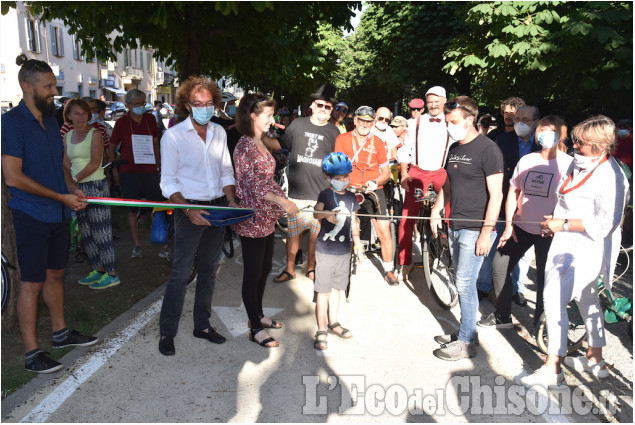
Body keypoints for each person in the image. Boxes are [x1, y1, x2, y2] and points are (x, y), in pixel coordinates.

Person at [1, 54, 97, 374]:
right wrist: (60, 196)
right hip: (31, 214)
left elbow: (60, 165)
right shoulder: (11, 123)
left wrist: (72, 188)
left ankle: (60, 334)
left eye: (54, 86)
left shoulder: (53, 119)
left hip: (59, 212)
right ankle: (31, 355)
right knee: (31, 282)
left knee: (56, 274)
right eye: (48, 87)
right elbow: (13, 176)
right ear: (27, 87)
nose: (55, 93)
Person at [520, 115, 628, 387]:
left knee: (553, 298)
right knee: (587, 299)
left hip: (588, 247)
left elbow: (607, 223)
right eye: (576, 140)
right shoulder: (579, 164)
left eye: (582, 143)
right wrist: (553, 223)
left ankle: (552, 366)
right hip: (565, 240)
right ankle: (596, 359)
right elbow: (565, 200)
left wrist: (563, 224)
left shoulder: (612, 175)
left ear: (602, 145)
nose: (575, 146)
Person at [157, 76, 238, 356]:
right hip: (187, 209)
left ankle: (201, 325)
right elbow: (167, 182)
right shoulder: (174, 136)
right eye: (197, 103)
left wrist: (230, 200)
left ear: (215, 103)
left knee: (209, 271)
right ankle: (167, 333)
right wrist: (188, 209)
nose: (203, 108)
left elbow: (226, 170)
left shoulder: (219, 132)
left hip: (217, 209)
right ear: (187, 105)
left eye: (208, 103)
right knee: (180, 274)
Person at [478, 116, 572, 330]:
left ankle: (542, 326)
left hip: (551, 233)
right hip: (521, 227)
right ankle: (503, 316)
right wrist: (510, 224)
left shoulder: (569, 164)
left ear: (562, 135)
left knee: (544, 279)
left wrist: (561, 223)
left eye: (551, 130)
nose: (545, 133)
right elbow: (513, 192)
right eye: (542, 129)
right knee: (499, 266)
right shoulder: (528, 160)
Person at [430, 96, 504, 361]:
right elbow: (449, 183)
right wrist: (437, 208)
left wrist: (487, 231)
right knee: (461, 282)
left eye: (454, 121)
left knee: (464, 283)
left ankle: (466, 342)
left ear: (470, 119)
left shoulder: (488, 149)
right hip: (455, 223)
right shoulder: (454, 148)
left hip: (476, 228)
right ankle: (467, 332)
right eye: (447, 121)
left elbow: (496, 195)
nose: (450, 126)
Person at [232, 93, 299, 348]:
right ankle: (255, 328)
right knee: (252, 274)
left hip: (267, 219)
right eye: (268, 115)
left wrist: (283, 198)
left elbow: (268, 180)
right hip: (252, 219)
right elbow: (250, 186)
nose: (273, 120)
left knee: (264, 270)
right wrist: (282, 201)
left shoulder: (261, 142)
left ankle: (258, 314)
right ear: (252, 116)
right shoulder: (244, 146)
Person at [262, 84, 340, 283]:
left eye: (328, 107)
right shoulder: (297, 125)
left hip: (320, 194)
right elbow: (280, 144)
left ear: (331, 110)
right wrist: (259, 136)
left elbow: (339, 163)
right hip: (296, 193)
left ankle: (311, 268)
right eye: (320, 105)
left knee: (315, 236)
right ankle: (289, 269)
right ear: (312, 105)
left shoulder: (334, 132)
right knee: (293, 235)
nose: (323, 109)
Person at [477, 104, 539, 306]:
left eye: (525, 120)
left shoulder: (543, 145)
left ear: (536, 122)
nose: (519, 123)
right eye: (517, 119)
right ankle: (483, 285)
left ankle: (516, 288)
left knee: (524, 253)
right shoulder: (502, 139)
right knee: (494, 245)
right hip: (503, 200)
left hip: (530, 206)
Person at [334, 106, 397, 285]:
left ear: (373, 123)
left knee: (384, 230)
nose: (365, 124)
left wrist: (375, 182)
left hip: (372, 189)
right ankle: (338, 264)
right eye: (361, 120)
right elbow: (337, 166)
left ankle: (388, 269)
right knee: (339, 226)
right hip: (348, 188)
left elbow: (386, 172)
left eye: (369, 121)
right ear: (355, 120)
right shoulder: (342, 138)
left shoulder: (378, 142)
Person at [62, 99, 119, 289]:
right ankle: (98, 269)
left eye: (84, 113)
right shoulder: (67, 136)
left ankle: (112, 273)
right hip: (77, 188)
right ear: (68, 115)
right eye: (76, 113)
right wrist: (70, 184)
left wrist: (74, 180)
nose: (80, 117)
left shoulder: (95, 134)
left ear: (89, 115)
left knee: (101, 231)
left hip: (95, 186)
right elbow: (66, 163)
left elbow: (96, 162)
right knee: (85, 232)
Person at [398, 86, 453, 281]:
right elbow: (405, 149)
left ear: (444, 101)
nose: (433, 104)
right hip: (419, 170)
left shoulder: (451, 121)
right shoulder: (416, 123)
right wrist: (404, 174)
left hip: (440, 171)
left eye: (436, 101)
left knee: (449, 211)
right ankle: (405, 262)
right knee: (407, 216)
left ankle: (450, 254)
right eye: (429, 101)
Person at [312, 152, 364, 350]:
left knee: (336, 289)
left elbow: (354, 222)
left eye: (346, 177)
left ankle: (333, 322)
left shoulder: (352, 197)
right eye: (339, 178)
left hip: (344, 251)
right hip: (326, 251)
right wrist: (326, 214)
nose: (343, 181)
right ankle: (322, 329)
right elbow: (316, 212)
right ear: (329, 178)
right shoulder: (325, 194)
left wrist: (358, 246)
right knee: (323, 291)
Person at [108, 89, 165, 259]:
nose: (141, 106)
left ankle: (164, 243)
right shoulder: (121, 123)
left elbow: (155, 144)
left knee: (160, 207)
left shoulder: (150, 119)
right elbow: (111, 148)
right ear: (128, 106)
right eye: (137, 103)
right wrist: (115, 171)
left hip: (150, 171)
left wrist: (158, 164)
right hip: (129, 172)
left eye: (143, 102)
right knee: (132, 209)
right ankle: (137, 245)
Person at [60, 97, 111, 165]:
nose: (93, 112)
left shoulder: (101, 128)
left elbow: (104, 151)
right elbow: (63, 153)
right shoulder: (67, 127)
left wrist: (107, 171)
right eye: (90, 109)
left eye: (95, 108)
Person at [211, 91, 241, 166]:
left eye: (234, 103)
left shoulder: (237, 123)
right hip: (217, 163)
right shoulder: (212, 122)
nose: (233, 106)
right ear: (222, 106)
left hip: (233, 164)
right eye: (230, 103)